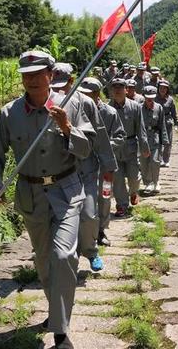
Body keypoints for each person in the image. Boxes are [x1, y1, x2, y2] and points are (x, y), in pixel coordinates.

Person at [0, 50, 95, 349]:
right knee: (44, 262)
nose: (31, 79)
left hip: (67, 191)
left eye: (37, 73)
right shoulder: (9, 114)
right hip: (31, 195)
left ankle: (60, 331)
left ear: (50, 74)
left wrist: (67, 128)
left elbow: (86, 149)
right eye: (26, 74)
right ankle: (55, 311)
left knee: (63, 256)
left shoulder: (73, 104)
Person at [51, 63, 117, 271]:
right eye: (55, 86)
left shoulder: (85, 103)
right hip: (58, 172)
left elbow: (99, 136)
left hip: (86, 169)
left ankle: (91, 251)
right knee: (60, 218)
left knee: (88, 214)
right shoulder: (45, 103)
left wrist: (108, 166)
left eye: (64, 85)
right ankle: (67, 257)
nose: (60, 90)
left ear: (72, 82)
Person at [77, 77, 126, 246]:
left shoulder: (110, 113)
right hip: (83, 164)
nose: (84, 97)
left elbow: (120, 136)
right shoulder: (76, 110)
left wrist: (104, 145)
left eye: (88, 94)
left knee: (105, 197)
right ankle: (82, 234)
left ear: (97, 94)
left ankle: (101, 231)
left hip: (105, 165)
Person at [108, 78, 149, 217]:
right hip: (114, 148)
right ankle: (122, 205)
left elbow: (141, 128)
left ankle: (133, 192)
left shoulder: (135, 107)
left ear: (126, 90)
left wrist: (144, 146)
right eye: (115, 87)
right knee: (118, 178)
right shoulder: (107, 108)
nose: (118, 90)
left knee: (134, 176)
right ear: (111, 91)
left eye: (121, 87)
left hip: (131, 146)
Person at [139, 85, 169, 194]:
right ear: (144, 97)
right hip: (143, 139)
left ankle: (156, 182)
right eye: (148, 98)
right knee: (144, 163)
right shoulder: (139, 108)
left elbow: (162, 125)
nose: (150, 100)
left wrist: (164, 140)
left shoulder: (159, 108)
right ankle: (148, 183)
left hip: (155, 138)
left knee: (155, 161)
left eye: (152, 98)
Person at [155, 80, 178, 167]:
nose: (162, 90)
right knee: (158, 142)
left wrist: (176, 123)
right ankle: (159, 159)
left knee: (168, 143)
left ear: (167, 89)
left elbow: (174, 113)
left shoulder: (170, 99)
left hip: (167, 122)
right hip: (157, 122)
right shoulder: (154, 98)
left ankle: (166, 160)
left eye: (165, 88)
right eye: (161, 88)